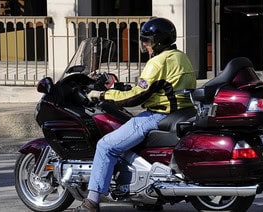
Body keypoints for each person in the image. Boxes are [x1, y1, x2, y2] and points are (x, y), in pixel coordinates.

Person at [74, 17, 197, 212]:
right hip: (180, 111)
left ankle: (91, 202)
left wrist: (104, 95)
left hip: (157, 115)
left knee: (106, 146)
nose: (145, 44)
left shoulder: (157, 62)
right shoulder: (181, 57)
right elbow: (156, 87)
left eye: (147, 40)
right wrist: (121, 88)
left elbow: (136, 98)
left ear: (158, 40)